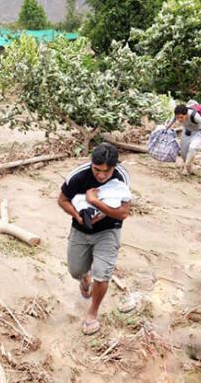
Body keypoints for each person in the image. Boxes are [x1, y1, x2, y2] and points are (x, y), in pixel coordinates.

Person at [57, 143, 131, 336]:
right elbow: (62, 200)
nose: (101, 175)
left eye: (106, 172)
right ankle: (84, 278)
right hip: (80, 230)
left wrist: (95, 202)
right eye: (97, 170)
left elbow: (123, 213)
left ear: (114, 167)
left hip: (108, 231)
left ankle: (92, 313)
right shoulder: (78, 176)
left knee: (102, 274)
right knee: (76, 270)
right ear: (91, 163)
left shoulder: (121, 177)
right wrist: (78, 216)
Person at [175, 103, 201, 175]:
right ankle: (189, 168)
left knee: (192, 148)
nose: (179, 120)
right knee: (183, 153)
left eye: (181, 117)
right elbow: (172, 121)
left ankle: (186, 167)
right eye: (177, 117)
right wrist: (165, 129)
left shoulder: (194, 115)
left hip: (197, 133)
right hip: (186, 132)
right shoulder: (177, 114)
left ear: (186, 114)